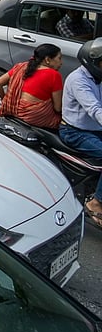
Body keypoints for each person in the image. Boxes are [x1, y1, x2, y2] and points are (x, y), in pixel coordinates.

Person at [59, 38, 102, 227]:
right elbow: (94, 109)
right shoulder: (79, 80)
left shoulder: (98, 78)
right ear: (93, 62)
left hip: (95, 129)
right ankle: (96, 202)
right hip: (75, 132)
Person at [0, 43, 63, 130]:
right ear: (47, 60)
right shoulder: (54, 75)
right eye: (59, 58)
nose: (61, 63)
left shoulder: (21, 67)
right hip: (34, 117)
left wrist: (5, 100)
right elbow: (57, 108)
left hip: (12, 110)